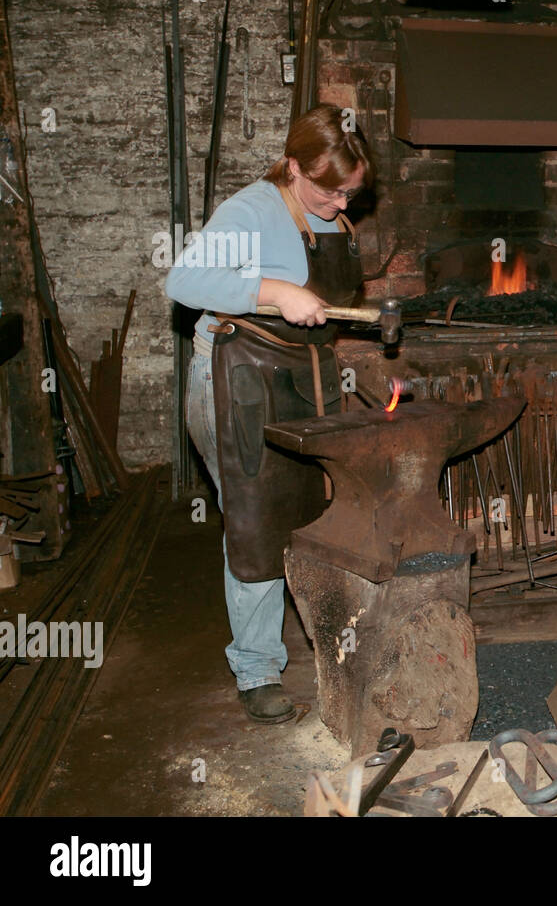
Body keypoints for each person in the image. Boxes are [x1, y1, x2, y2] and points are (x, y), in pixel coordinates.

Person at [165, 105, 374, 723]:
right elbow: (182, 279)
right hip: (235, 379)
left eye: (351, 193)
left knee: (308, 513)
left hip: (300, 377)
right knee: (255, 518)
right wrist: (274, 292)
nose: (340, 204)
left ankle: (323, 633)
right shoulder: (251, 210)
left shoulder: (333, 216)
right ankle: (257, 668)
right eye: (329, 191)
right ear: (292, 167)